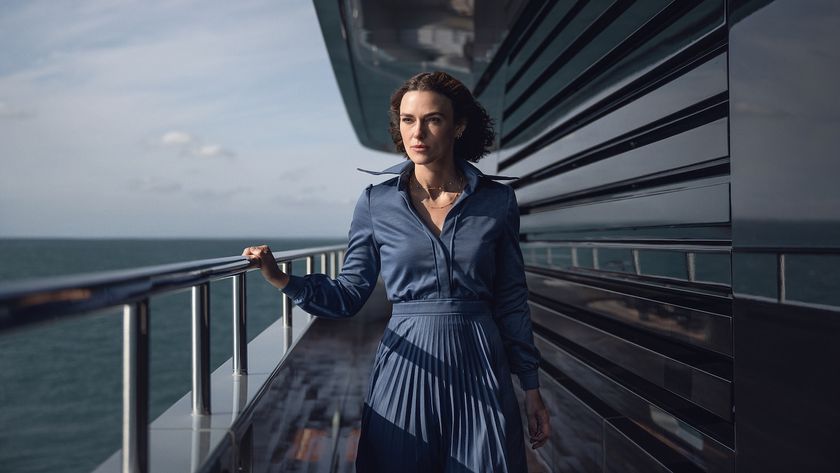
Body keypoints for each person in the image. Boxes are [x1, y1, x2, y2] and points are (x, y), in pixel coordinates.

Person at [243, 71, 550, 472]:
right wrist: (282, 278)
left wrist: (531, 387)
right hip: (406, 364)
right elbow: (350, 294)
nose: (417, 132)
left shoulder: (497, 201)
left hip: (482, 362)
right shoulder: (376, 203)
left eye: (433, 119)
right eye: (408, 120)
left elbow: (511, 300)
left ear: (458, 127)